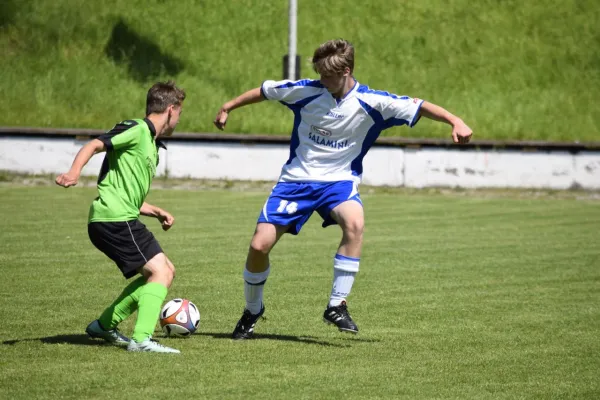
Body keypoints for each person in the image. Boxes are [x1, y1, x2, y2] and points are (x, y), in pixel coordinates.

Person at [214, 38, 473, 340]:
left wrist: (455, 121)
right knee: (259, 246)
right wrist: (228, 106)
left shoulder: (371, 102)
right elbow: (265, 90)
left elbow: (418, 105)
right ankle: (252, 310)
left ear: (346, 71)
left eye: (327, 76)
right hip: (295, 182)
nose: (321, 80)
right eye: (320, 74)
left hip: (339, 183)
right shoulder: (307, 91)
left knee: (355, 223)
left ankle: (337, 304)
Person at [56, 81, 186, 353]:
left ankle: (104, 326)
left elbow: (127, 192)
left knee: (166, 271)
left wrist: (156, 210)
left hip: (121, 217)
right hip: (113, 220)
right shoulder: (137, 129)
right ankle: (141, 339)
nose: (179, 120)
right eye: (180, 113)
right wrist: (74, 173)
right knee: (160, 272)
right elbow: (94, 144)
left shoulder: (151, 144)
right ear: (171, 109)